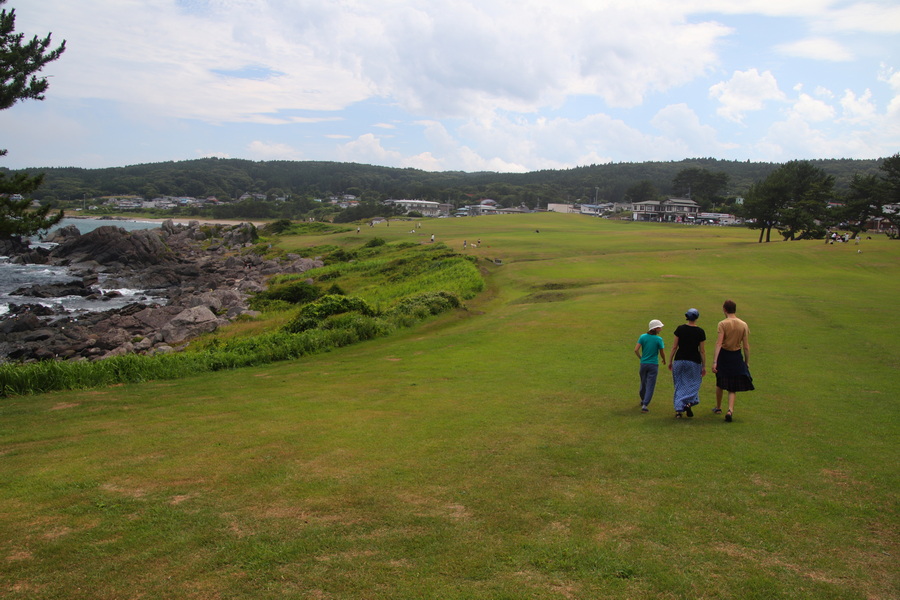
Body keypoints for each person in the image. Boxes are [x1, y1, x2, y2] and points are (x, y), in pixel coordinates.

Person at [712, 300, 754, 422]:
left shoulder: (722, 324)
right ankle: (730, 409)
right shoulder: (743, 324)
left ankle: (718, 407)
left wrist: (715, 361)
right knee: (732, 387)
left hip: (724, 355)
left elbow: (719, 343)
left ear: (725, 309)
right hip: (736, 355)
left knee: (720, 381)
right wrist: (746, 361)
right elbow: (746, 346)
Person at [668, 308, 706, 418]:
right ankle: (688, 403)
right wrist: (704, 366)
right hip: (694, 361)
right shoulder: (700, 331)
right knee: (693, 383)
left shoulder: (680, 329)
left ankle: (679, 410)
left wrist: (670, 360)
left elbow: (675, 346)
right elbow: (702, 351)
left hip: (679, 359)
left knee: (679, 384)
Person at [634, 319, 666, 412]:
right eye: (659, 327)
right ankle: (645, 404)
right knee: (650, 385)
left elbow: (636, 350)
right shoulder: (658, 339)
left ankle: (643, 399)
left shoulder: (643, 337)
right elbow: (662, 352)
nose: (661, 329)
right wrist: (664, 360)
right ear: (655, 328)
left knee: (643, 382)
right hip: (653, 364)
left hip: (643, 364)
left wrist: (641, 358)